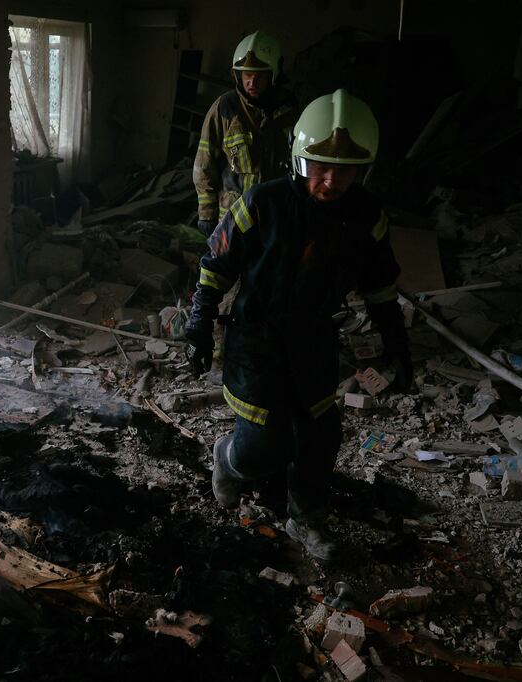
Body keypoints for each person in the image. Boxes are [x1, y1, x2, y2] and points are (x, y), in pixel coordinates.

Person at [184, 89, 412, 562]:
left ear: (363, 169)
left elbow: (381, 289)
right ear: (298, 159)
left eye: (345, 169)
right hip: (256, 338)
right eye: (320, 166)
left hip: (313, 337)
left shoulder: (366, 217)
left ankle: (306, 517)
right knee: (262, 450)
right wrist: (200, 323)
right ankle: (227, 458)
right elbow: (216, 265)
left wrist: (398, 348)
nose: (331, 180)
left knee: (320, 434)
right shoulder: (262, 203)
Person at [193, 31, 298, 237]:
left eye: (260, 75)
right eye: (246, 74)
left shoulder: (290, 110)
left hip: (274, 214)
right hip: (232, 216)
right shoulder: (225, 109)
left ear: (274, 74)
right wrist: (206, 214)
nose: (252, 81)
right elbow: (204, 165)